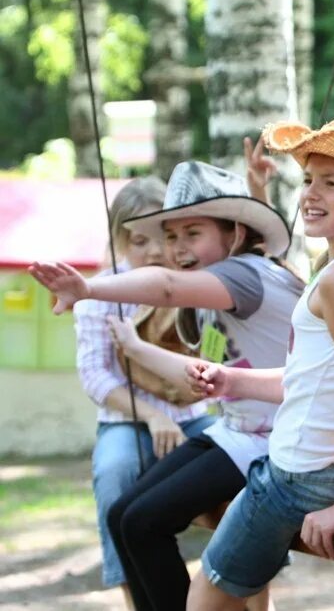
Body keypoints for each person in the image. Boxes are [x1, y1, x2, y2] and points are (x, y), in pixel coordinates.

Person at [30, 160, 304, 610]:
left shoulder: (244, 274)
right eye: (171, 236)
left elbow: (168, 287)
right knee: (124, 515)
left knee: (143, 523)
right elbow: (198, 368)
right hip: (237, 430)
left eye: (192, 233)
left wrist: (91, 290)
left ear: (234, 233)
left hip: (274, 441)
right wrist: (135, 348)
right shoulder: (224, 283)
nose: (177, 248)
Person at [184, 114, 334, 610]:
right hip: (311, 466)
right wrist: (231, 380)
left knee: (204, 595)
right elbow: (317, 383)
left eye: (331, 183)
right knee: (247, 580)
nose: (310, 195)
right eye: (307, 181)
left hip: (303, 474)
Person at [74, 177, 216, 608]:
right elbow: (94, 375)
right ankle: (135, 596)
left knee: (248, 472)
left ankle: (247, 589)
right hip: (128, 423)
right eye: (138, 241)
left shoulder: (201, 284)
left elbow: (219, 351)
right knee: (114, 473)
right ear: (120, 241)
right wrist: (153, 416)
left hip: (197, 416)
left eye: (162, 237)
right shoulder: (97, 294)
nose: (153, 252)